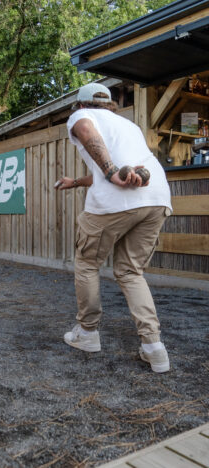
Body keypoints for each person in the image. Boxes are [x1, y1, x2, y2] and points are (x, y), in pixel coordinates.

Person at [56, 82, 172, 373]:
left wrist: (109, 172)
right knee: (131, 272)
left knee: (87, 263)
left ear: (81, 104)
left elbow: (85, 130)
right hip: (156, 197)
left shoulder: (82, 115)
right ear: (110, 104)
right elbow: (114, 170)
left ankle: (87, 333)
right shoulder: (127, 125)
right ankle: (154, 347)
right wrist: (77, 181)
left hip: (114, 202)